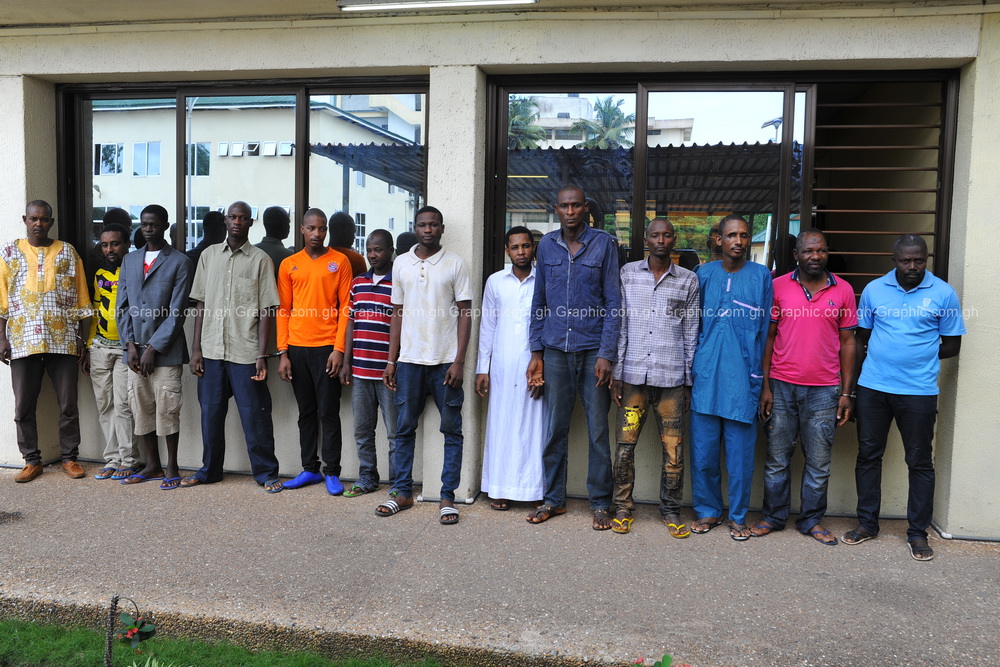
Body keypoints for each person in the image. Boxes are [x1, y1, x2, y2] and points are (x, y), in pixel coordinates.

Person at [844, 234, 965, 561]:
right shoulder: (874, 290)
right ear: (893, 259)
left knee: (920, 462)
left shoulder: (942, 293)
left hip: (919, 392)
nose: (912, 267)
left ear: (926, 258)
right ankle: (867, 524)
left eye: (919, 260)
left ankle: (917, 533)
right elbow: (862, 337)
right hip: (873, 389)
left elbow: (952, 345)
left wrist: (917, 356)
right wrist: (852, 390)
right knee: (869, 455)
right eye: (905, 260)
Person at [526, 185, 621, 530]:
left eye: (576, 205)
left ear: (585, 208)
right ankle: (553, 499)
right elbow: (538, 303)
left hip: (593, 348)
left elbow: (614, 302)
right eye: (564, 206)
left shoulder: (605, 244)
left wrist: (607, 353)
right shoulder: (546, 245)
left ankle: (600, 503)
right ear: (557, 209)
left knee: (598, 431)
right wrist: (536, 351)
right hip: (555, 350)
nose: (570, 211)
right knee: (555, 428)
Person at [753, 229, 857, 545]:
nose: (815, 256)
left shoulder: (844, 290)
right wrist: (765, 386)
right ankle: (773, 517)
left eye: (821, 251)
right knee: (776, 458)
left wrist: (846, 393)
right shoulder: (777, 287)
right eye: (808, 251)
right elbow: (768, 339)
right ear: (797, 254)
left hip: (825, 390)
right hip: (782, 387)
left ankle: (812, 520)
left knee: (819, 461)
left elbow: (848, 342)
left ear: (827, 253)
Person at [375, 205, 472, 525]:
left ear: (442, 228)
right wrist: (391, 360)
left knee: (451, 430)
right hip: (409, 362)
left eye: (433, 225)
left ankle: (448, 497)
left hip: (445, 362)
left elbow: (465, 313)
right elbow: (397, 314)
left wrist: (459, 361)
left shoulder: (455, 264)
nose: (427, 230)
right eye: (421, 225)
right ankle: (401, 492)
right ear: (414, 228)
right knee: (403, 429)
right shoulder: (401, 263)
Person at [181, 202, 283, 493]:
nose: (237, 222)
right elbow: (200, 303)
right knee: (210, 414)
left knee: (255, 414)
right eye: (232, 217)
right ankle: (210, 470)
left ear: (251, 223)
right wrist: (196, 349)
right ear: (225, 221)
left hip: (245, 352)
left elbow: (266, 310)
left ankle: (265, 473)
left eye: (243, 218)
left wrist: (262, 355)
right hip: (211, 351)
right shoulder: (208, 257)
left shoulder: (261, 260)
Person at [610, 218, 699, 537]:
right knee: (624, 446)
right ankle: (622, 506)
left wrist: (688, 380)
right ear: (646, 239)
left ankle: (671, 509)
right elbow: (619, 326)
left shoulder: (688, 281)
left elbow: (691, 332)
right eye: (655, 235)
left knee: (674, 451)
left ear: (675, 240)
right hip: (632, 376)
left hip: (672, 380)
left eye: (667, 235)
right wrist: (617, 372)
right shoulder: (628, 274)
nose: (661, 240)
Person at [689, 214, 772, 541]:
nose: (738, 241)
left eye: (744, 235)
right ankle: (708, 512)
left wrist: (763, 383)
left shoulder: (761, 276)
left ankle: (737, 516)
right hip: (706, 379)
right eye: (731, 235)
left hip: (744, 382)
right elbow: (690, 328)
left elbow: (766, 333)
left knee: (740, 459)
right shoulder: (703, 275)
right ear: (718, 240)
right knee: (704, 454)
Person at [0, 200, 92, 483]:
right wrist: (1, 337)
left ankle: (69, 458)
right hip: (22, 340)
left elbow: (82, 299)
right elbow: (2, 299)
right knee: (23, 406)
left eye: (44, 219)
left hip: (62, 340)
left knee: (68, 403)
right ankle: (31, 460)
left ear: (51, 222)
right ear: (24, 219)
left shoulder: (67, 251)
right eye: (33, 219)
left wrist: (80, 339)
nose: (38, 224)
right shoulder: (9, 252)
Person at [277, 208, 353, 495]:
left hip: (327, 349)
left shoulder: (340, 262)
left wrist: (339, 349)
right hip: (297, 348)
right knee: (306, 412)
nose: (317, 234)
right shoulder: (289, 264)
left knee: (328, 413)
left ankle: (332, 472)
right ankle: (310, 469)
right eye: (312, 228)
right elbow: (283, 310)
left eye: (322, 229)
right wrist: (283, 351)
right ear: (302, 230)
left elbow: (346, 308)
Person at [116, 204, 193, 486]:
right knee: (141, 407)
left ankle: (171, 467)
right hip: (135, 353)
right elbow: (122, 307)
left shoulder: (180, 262)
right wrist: (130, 345)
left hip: (166, 352)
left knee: (167, 408)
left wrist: (153, 347)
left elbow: (177, 312)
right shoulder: (130, 260)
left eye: (154, 224)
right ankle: (152, 466)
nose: (148, 228)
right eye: (144, 224)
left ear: (165, 225)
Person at [476, 226, 547, 511]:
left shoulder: (543, 280)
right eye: (515, 247)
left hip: (534, 363)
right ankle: (500, 488)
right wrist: (483, 368)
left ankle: (534, 490)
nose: (521, 252)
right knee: (502, 424)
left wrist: (543, 361)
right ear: (507, 250)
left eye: (526, 246)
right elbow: (488, 327)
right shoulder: (496, 282)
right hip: (503, 365)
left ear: (533, 249)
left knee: (534, 426)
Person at [339, 229, 397, 497]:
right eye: (369, 250)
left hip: (388, 373)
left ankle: (398, 484)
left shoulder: (399, 282)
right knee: (363, 431)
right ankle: (367, 478)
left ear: (391, 250)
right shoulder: (358, 282)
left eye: (379, 250)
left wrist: (393, 362)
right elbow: (351, 321)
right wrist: (346, 360)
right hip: (361, 371)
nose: (373, 255)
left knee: (395, 434)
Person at [82, 223, 139, 481]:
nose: (110, 249)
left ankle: (129, 459)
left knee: (124, 404)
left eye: (115, 243)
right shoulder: (99, 274)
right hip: (100, 347)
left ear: (127, 244)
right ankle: (112, 458)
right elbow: (96, 313)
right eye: (105, 244)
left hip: (126, 349)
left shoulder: (134, 270)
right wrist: (88, 345)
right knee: (105, 404)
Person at [256, 206, 294, 277]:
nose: (289, 227)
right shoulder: (290, 257)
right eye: (288, 223)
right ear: (283, 225)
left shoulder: (251, 252)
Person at [329, 211, 367, 277]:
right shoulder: (357, 259)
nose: (354, 237)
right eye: (353, 232)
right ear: (346, 232)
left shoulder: (319, 256)